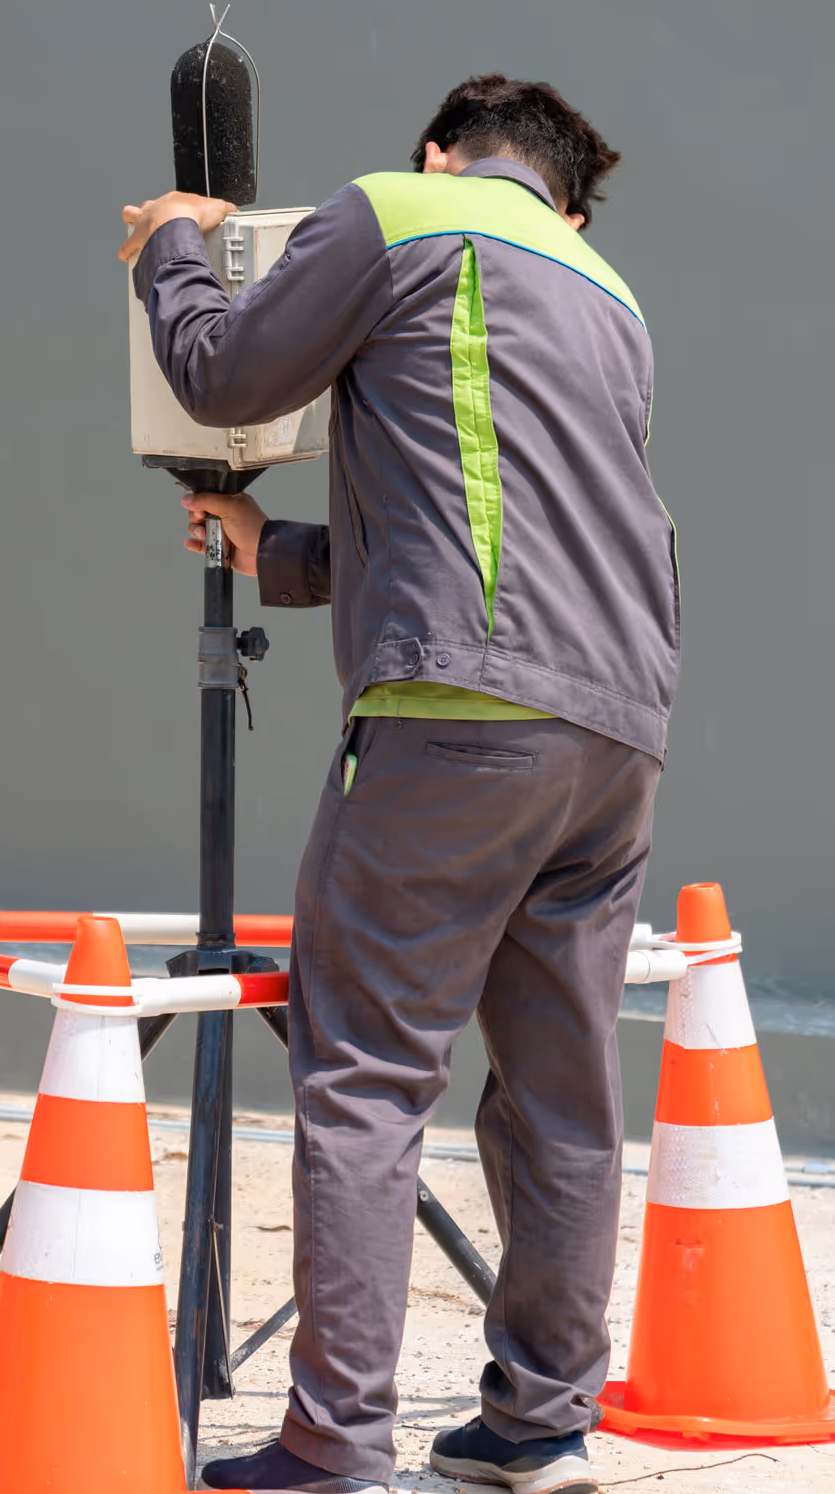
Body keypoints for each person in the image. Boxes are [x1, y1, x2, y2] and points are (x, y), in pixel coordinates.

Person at [119, 75, 678, 1494]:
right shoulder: (609, 295)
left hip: (451, 730)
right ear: (564, 194)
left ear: (440, 151)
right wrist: (272, 553)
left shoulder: (398, 211)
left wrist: (179, 244)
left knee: (362, 1076)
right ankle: (542, 1424)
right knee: (559, 1097)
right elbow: (474, 524)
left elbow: (225, 376)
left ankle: (334, 1443)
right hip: (614, 741)